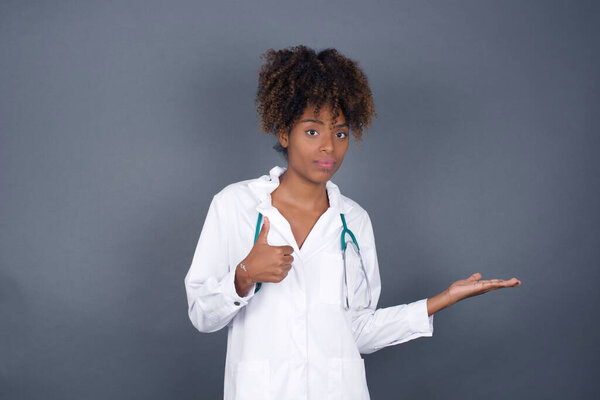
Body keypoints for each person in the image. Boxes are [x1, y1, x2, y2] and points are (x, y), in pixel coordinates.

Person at [184, 45, 521, 400]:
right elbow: (201, 316)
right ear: (284, 133)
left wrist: (441, 300)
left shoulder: (353, 221)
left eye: (341, 133)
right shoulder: (235, 206)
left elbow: (357, 331)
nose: (329, 146)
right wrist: (244, 276)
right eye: (313, 132)